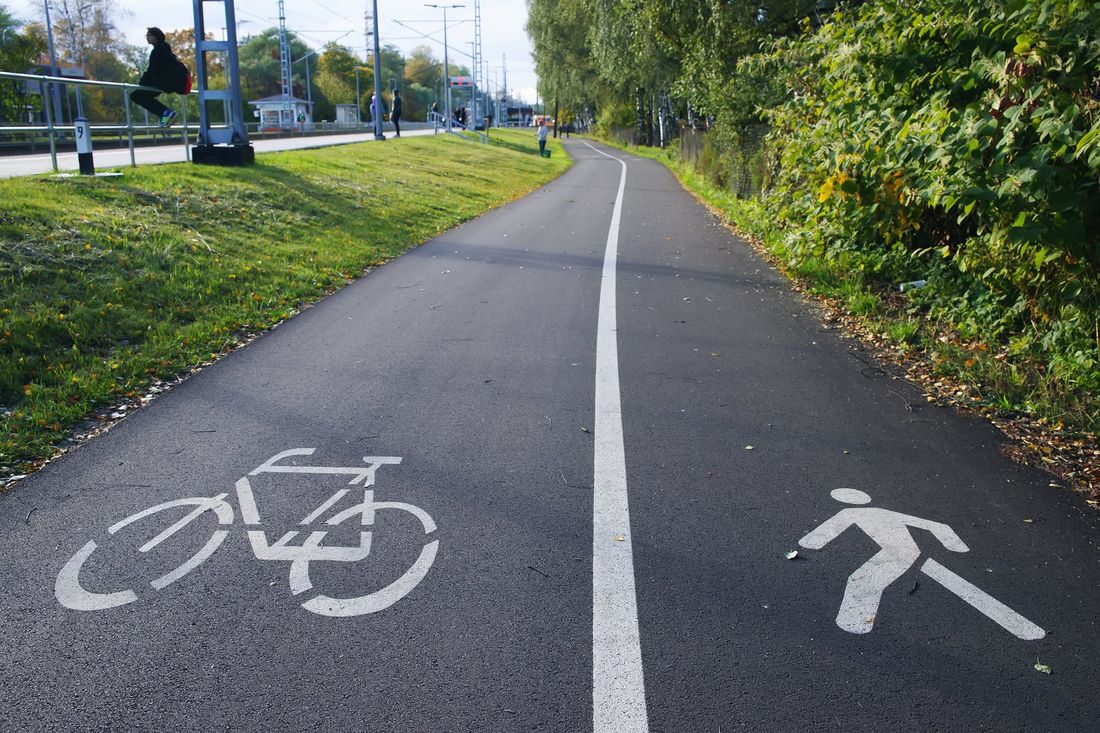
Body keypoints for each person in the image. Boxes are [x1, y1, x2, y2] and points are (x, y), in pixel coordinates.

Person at [131, 27, 187, 127]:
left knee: (136, 95)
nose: (147, 38)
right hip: (167, 83)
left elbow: (152, 70)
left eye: (149, 35)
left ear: (156, 37)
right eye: (146, 36)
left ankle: (165, 112)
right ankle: (165, 114)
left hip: (162, 83)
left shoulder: (158, 51)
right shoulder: (166, 50)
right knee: (144, 96)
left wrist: (142, 82)